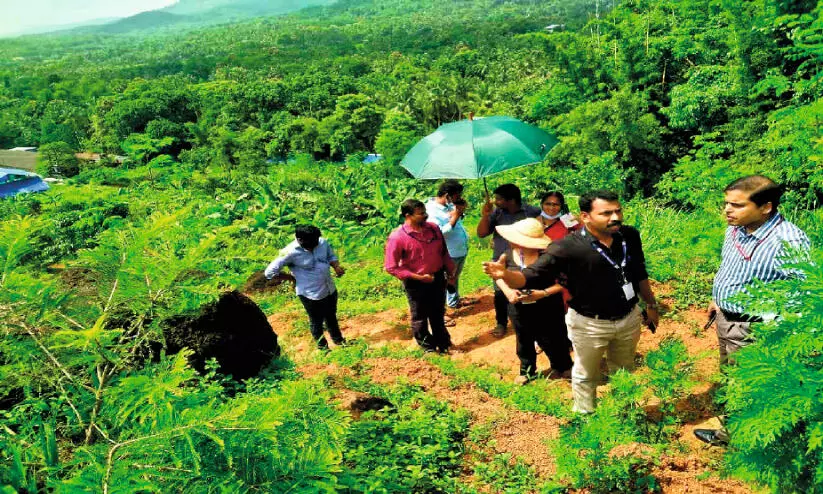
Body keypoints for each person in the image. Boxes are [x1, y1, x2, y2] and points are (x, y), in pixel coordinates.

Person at [483, 190, 660, 413]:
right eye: (606, 213)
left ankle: (624, 412)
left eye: (618, 211)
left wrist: (651, 305)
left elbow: (639, 271)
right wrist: (506, 276)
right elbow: (532, 275)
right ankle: (585, 415)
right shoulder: (566, 247)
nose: (615, 217)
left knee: (624, 369)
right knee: (586, 374)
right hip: (589, 324)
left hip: (628, 318)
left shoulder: (629, 236)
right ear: (585, 216)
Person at [694, 175, 810, 446]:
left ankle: (739, 440)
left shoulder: (788, 240)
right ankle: (739, 428)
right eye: (726, 203)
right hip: (725, 318)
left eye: (736, 205)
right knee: (731, 377)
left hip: (754, 328)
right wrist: (717, 298)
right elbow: (730, 266)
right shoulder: (735, 228)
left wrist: (776, 330)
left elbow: (805, 290)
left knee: (746, 385)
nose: (727, 210)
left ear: (766, 207)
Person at [494, 218, 573, 384]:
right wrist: (509, 292)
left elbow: (564, 283)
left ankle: (563, 366)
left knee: (554, 336)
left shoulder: (548, 258)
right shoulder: (507, 256)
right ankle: (527, 370)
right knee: (523, 338)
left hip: (548, 305)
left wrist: (542, 293)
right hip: (518, 306)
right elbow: (498, 276)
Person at [385, 199, 457, 353]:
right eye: (421, 214)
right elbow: (391, 267)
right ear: (407, 215)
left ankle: (444, 343)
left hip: (437, 278)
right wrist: (418, 277)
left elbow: (443, 252)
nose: (426, 215)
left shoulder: (434, 229)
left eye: (425, 212)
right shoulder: (397, 237)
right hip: (415, 283)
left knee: (438, 314)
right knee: (419, 317)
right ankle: (427, 347)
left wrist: (451, 271)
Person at [264, 225, 346, 350]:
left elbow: (330, 256)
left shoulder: (322, 243)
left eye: (316, 242)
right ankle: (323, 348)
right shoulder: (289, 252)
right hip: (310, 294)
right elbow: (270, 272)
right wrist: (291, 278)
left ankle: (339, 341)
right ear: (299, 239)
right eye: (310, 243)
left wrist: (336, 266)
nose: (314, 245)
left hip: (329, 288)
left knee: (331, 316)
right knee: (316, 321)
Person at [477, 183, 541, 337]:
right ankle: (501, 323)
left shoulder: (531, 212)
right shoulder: (497, 213)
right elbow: (482, 233)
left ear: (511, 200)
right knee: (500, 293)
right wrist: (485, 215)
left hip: (526, 259)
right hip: (502, 259)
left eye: (498, 199)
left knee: (529, 292)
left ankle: (534, 328)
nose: (495, 201)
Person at [425, 179, 474, 311]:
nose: (459, 198)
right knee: (446, 281)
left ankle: (453, 301)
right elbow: (439, 233)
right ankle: (441, 310)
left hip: (459, 249)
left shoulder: (449, 205)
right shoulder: (431, 211)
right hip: (449, 251)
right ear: (447, 195)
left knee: (454, 277)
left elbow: (455, 220)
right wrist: (456, 216)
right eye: (456, 196)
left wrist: (460, 211)